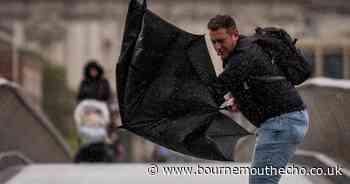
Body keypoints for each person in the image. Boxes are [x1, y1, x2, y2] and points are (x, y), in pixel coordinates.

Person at [207, 15, 310, 184]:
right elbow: (256, 82)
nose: (217, 47)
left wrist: (178, 104)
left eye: (221, 40)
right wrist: (238, 100)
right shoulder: (242, 52)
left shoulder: (243, 56)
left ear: (235, 35)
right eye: (213, 42)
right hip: (282, 121)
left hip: (282, 123)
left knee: (262, 181)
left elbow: (215, 90)